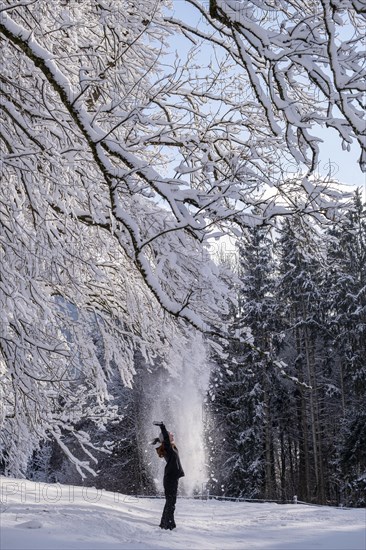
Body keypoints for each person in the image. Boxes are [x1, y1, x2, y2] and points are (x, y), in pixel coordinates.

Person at [151, 421, 185, 530]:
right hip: (170, 478)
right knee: (171, 502)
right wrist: (162, 426)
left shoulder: (172, 448)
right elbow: (165, 437)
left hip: (172, 478)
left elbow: (165, 439)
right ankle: (168, 524)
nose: (172, 435)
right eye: (171, 435)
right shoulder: (168, 448)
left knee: (171, 501)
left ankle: (165, 523)